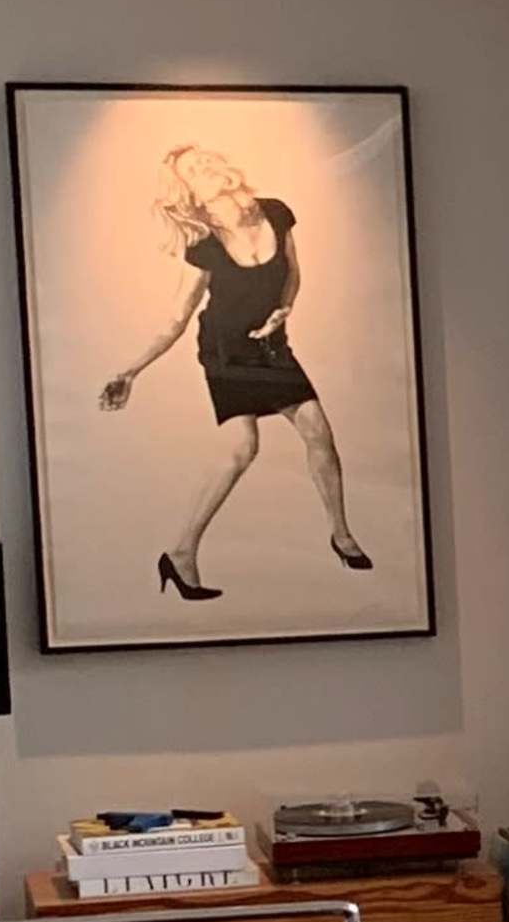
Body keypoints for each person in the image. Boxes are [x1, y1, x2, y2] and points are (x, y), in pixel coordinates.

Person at [99, 142, 375, 601]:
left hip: (269, 343)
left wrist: (283, 311)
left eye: (207, 158)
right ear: (191, 193)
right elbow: (176, 317)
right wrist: (130, 371)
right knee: (243, 448)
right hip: (225, 350)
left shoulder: (276, 212)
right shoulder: (204, 246)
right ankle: (181, 551)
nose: (208, 165)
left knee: (318, 432)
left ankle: (341, 536)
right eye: (195, 169)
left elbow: (293, 273)